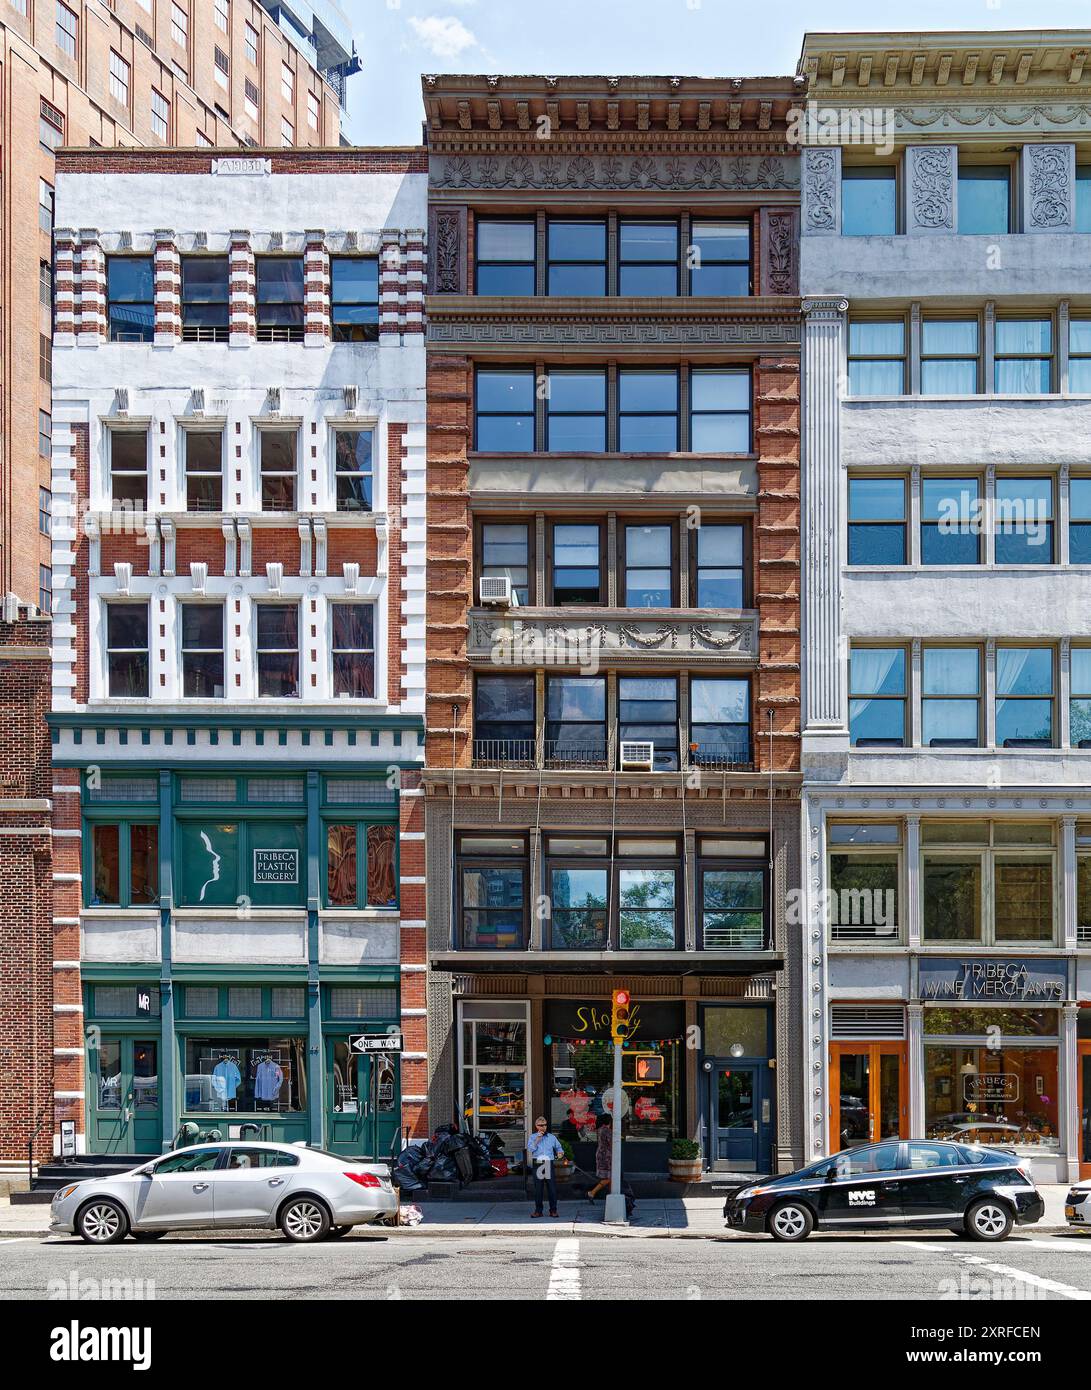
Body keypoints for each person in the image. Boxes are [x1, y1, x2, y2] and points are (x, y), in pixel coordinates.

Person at [526, 1116, 564, 1217]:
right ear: (536, 1126)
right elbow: (530, 1149)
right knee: (538, 1188)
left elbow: (559, 1147)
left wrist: (560, 1153)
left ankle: (553, 1210)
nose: (543, 1127)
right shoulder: (533, 1137)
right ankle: (538, 1211)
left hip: (548, 1163)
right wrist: (538, 1139)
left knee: (551, 1188)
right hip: (538, 1163)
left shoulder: (551, 1137)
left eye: (545, 1125)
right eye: (540, 1125)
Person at [586, 1112, 613, 1202]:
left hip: (601, 1154)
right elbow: (611, 1143)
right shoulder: (606, 1130)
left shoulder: (600, 1129)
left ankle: (611, 1195)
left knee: (608, 1177)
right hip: (606, 1156)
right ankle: (592, 1192)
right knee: (609, 1177)